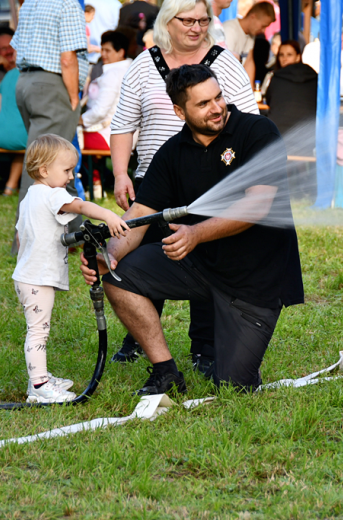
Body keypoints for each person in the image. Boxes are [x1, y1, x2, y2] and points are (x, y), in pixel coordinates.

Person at [81, 64, 303, 395]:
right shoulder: (171, 153)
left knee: (233, 386)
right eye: (203, 104)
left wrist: (196, 234)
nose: (216, 108)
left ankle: (233, 342)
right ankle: (165, 371)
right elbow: (140, 213)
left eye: (218, 97)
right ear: (179, 110)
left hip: (254, 281)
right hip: (201, 267)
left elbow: (257, 206)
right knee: (118, 276)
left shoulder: (258, 131)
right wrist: (108, 256)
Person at [109, 0, 258, 371]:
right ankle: (139, 337)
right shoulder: (144, 65)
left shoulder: (226, 63)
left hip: (210, 187)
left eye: (202, 20)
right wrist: (120, 173)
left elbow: (248, 124)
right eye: (187, 20)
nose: (196, 27)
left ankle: (204, 347)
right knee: (141, 256)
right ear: (167, 22)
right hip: (153, 181)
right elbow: (124, 123)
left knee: (202, 262)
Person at [14, 134, 129, 403]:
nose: (70, 176)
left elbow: (22, 236)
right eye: (66, 170)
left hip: (28, 275)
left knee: (38, 328)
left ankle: (39, 378)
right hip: (37, 278)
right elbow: (78, 205)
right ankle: (40, 386)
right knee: (38, 330)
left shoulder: (30, 196)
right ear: (44, 170)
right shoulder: (51, 194)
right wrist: (109, 215)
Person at [11, 0, 89, 234]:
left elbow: (19, 46)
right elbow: (67, 58)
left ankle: (78, 233)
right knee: (42, 164)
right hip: (53, 85)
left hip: (26, 82)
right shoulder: (67, 4)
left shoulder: (30, 3)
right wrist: (74, 96)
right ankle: (26, 237)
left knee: (59, 162)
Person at [81, 31, 131, 150]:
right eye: (102, 49)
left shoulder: (113, 74)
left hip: (105, 135)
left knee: (64, 139)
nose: (103, 54)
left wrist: (78, 120)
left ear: (121, 52)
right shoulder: (129, 70)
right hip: (124, 137)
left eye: (107, 50)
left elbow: (100, 111)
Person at [264, 40, 317, 135]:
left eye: (289, 55)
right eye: (281, 55)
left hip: (279, 134)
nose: (284, 59)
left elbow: (268, 99)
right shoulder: (313, 76)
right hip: (309, 133)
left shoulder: (277, 78)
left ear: (298, 57)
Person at [0, 59, 27, 196]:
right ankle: (10, 187)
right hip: (20, 137)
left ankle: (10, 183)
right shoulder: (32, 77)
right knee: (28, 144)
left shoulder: (8, 75)